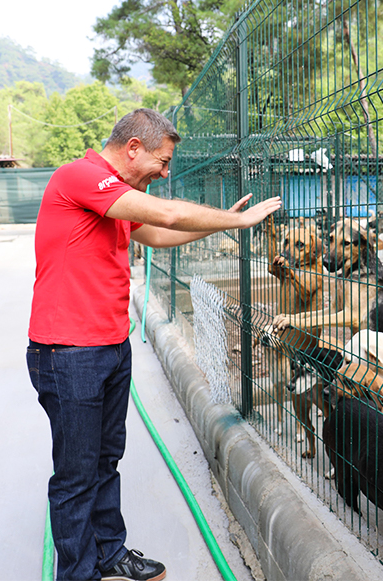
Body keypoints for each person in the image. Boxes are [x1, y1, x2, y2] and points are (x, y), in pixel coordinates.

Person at [26, 108, 281, 581]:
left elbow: (161, 233)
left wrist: (223, 224)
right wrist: (237, 220)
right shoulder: (80, 177)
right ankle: (78, 574)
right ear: (134, 148)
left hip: (109, 347)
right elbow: (165, 213)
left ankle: (109, 553)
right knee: (76, 475)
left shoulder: (119, 201)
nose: (165, 173)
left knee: (106, 460)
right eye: (162, 162)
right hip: (68, 353)